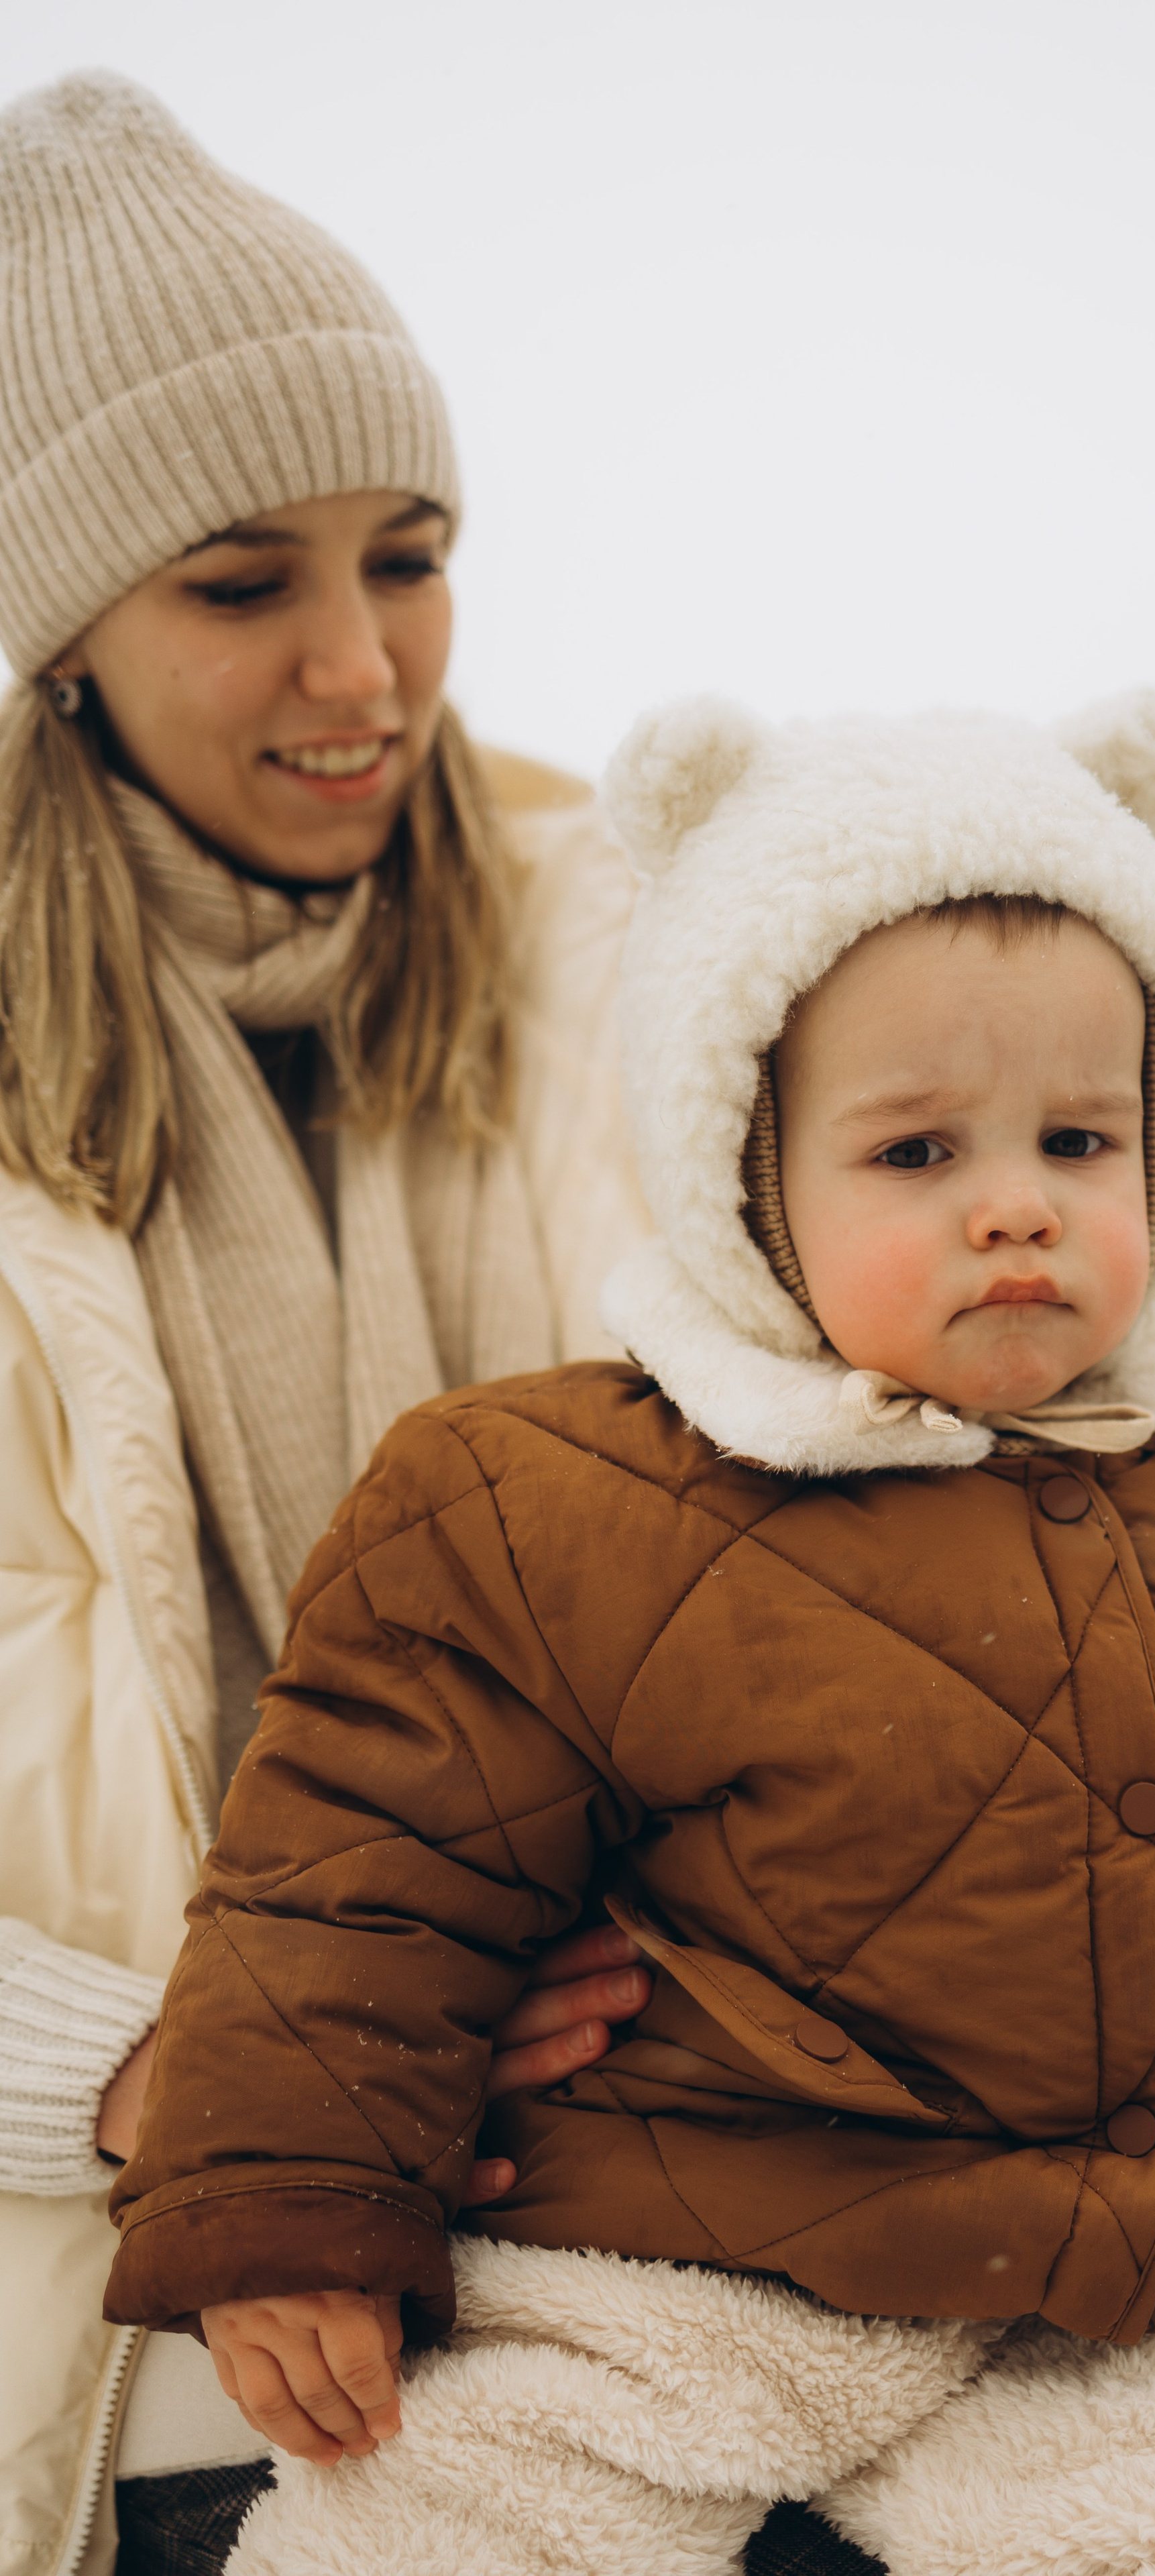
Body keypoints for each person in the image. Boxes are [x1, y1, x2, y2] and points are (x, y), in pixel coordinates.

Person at [108, 690, 1155, 2575]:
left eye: (1077, 1141)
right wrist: (290, 2223)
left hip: (1108, 2325)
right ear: (753, 1178)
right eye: (914, 1157)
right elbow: (360, 1889)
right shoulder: (555, 1503)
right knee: (470, 2529)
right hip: (658, 2273)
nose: (1014, 1210)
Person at [0, 72, 657, 2576]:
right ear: (62, 630)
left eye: (411, 555)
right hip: (127, 2343)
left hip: (647, 2216)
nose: (363, 666)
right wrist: (164, 2080)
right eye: (239, 579)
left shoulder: (623, 972)